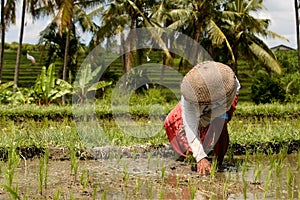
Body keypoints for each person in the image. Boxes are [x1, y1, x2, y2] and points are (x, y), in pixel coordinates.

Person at [164, 61, 240, 175]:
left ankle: (218, 163)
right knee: (173, 122)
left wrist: (210, 117)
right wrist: (200, 157)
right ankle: (187, 155)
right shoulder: (189, 99)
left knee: (220, 123)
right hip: (202, 106)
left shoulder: (229, 82)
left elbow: (224, 109)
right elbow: (190, 126)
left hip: (223, 102)